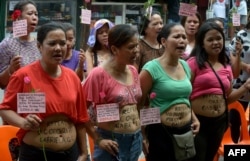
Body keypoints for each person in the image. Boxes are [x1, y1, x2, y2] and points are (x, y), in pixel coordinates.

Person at [0, 22, 94, 161]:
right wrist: (22, 122)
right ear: (39, 46)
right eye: (52, 43)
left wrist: (83, 153)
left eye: (62, 43)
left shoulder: (73, 77)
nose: (58, 48)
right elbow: (5, 109)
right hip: (35, 154)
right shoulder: (23, 75)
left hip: (71, 153)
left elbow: (81, 118)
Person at [187, 21, 250, 161]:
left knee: (210, 157)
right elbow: (183, 95)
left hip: (219, 123)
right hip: (198, 123)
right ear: (202, 43)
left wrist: (245, 87)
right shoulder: (192, 63)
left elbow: (227, 98)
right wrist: (191, 117)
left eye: (219, 38)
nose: (216, 42)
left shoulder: (226, 66)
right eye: (210, 39)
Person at [139, 23, 200, 161]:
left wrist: (194, 118)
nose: (182, 40)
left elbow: (185, 98)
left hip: (185, 131)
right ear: (164, 41)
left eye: (184, 37)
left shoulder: (185, 65)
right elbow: (141, 103)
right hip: (160, 132)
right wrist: (143, 136)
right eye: (177, 36)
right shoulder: (151, 68)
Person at [83, 24, 142, 161]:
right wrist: (98, 140)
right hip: (111, 142)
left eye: (137, 46)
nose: (136, 51)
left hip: (135, 140)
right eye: (130, 47)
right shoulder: (98, 74)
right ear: (115, 49)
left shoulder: (133, 70)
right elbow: (80, 110)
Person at [0, 0, 40, 89]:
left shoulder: (39, 44)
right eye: (30, 14)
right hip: (15, 98)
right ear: (18, 18)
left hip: (37, 98)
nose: (34, 17)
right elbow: (2, 83)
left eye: (36, 14)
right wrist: (10, 69)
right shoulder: (6, 44)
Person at [228, 19, 250, 143]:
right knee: (235, 121)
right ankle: (235, 150)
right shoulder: (241, 34)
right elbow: (231, 56)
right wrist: (246, 66)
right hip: (240, 84)